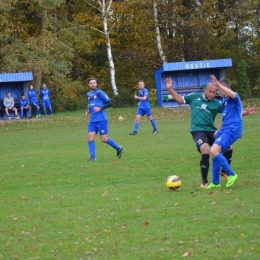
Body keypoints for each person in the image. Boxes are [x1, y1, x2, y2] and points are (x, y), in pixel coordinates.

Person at [164, 77, 257, 188]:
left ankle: (224, 173)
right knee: (206, 150)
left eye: (214, 92)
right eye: (210, 92)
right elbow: (179, 99)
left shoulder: (218, 103)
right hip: (198, 130)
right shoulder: (195, 97)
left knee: (229, 148)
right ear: (205, 90)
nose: (212, 94)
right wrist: (170, 89)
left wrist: (246, 112)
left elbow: (229, 114)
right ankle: (204, 181)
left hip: (211, 130)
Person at [205, 76, 242, 188]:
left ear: (224, 88)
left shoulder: (234, 97)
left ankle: (231, 174)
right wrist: (218, 130)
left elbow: (232, 94)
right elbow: (225, 118)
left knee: (214, 150)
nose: (217, 92)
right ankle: (215, 182)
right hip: (224, 130)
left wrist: (219, 84)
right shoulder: (224, 102)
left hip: (232, 129)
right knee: (216, 155)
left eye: (218, 90)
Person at [86, 77, 123, 161]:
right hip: (92, 120)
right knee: (90, 137)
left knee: (103, 139)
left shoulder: (100, 93)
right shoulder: (88, 94)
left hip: (101, 119)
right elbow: (89, 104)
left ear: (96, 84)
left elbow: (110, 103)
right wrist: (88, 111)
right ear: (89, 85)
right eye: (91, 83)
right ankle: (93, 157)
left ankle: (118, 148)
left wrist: (100, 108)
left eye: (94, 83)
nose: (93, 84)